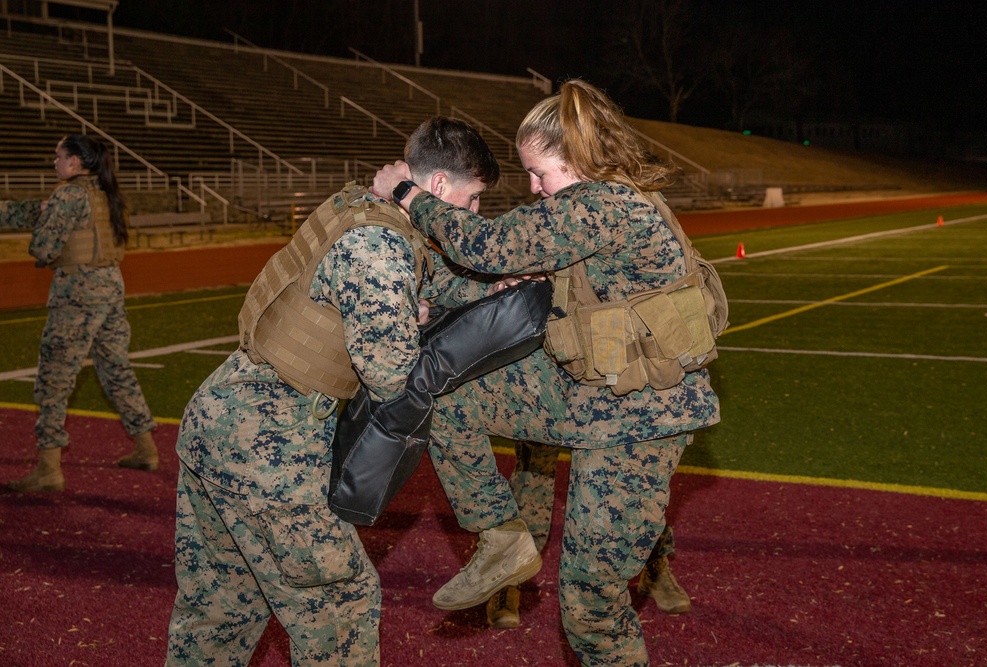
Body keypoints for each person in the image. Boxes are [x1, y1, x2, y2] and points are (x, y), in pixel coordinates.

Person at [373, 79, 720, 666]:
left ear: (579, 161)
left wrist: (406, 192)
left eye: (541, 173)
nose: (533, 189)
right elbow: (515, 275)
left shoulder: (603, 205)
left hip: (639, 423)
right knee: (450, 395)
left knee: (590, 607)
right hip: (592, 392)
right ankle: (502, 541)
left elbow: (484, 245)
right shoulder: (593, 203)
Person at [165, 116, 500, 667]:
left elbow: (426, 278)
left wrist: (485, 287)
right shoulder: (379, 246)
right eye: (473, 199)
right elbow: (391, 375)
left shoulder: (360, 206)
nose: (474, 213)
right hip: (271, 441)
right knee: (338, 610)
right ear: (438, 187)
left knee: (220, 611)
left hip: (220, 419)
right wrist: (413, 325)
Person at [1, 134, 158, 493]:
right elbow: (33, 213)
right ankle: (146, 448)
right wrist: (42, 211)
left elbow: (42, 246)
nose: (53, 163)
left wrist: (45, 224)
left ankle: (48, 469)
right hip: (111, 289)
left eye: (57, 156)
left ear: (74, 162)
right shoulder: (106, 193)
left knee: (54, 380)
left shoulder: (68, 194)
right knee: (117, 369)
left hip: (76, 295)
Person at [485, 441, 691, 629]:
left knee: (633, 469)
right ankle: (508, 577)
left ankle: (654, 562)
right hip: (547, 402)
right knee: (532, 471)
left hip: (608, 403)